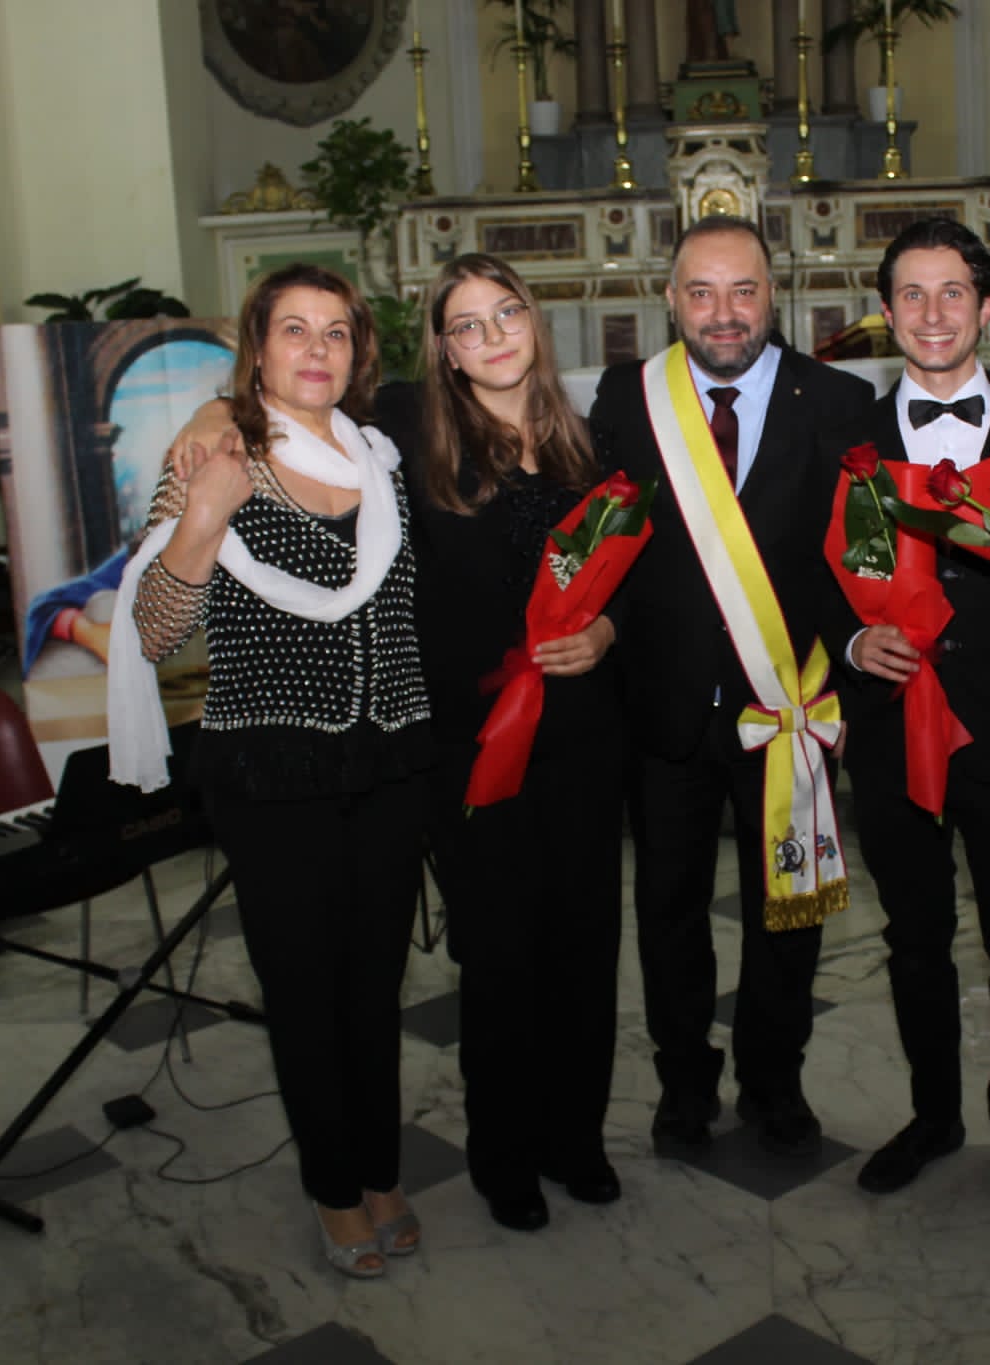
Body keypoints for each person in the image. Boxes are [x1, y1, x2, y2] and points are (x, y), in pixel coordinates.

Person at [116, 263, 431, 1280]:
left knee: (374, 985)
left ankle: (380, 1169)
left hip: (389, 759)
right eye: (293, 329)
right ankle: (334, 1188)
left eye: (336, 332)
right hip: (269, 768)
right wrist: (203, 517)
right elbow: (154, 630)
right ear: (256, 349)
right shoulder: (211, 457)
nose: (316, 349)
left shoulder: (384, 458)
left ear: (358, 352)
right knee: (303, 987)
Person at [589, 215, 872, 1158]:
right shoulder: (628, 400)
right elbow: (604, 549)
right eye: (702, 292)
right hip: (663, 708)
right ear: (670, 298)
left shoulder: (835, 399)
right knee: (667, 909)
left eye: (743, 290)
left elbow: (855, 559)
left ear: (773, 294)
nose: (724, 312)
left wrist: (857, 659)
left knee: (787, 909)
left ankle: (773, 1080)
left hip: (788, 705)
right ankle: (683, 1083)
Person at [823, 218, 990, 1218]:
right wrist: (850, 646)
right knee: (914, 938)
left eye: (952, 292)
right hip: (892, 731)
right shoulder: (844, 443)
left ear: (987, 305)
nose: (933, 314)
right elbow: (809, 576)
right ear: (887, 314)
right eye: (912, 295)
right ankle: (933, 1118)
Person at [404, 254, 625, 1233]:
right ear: (446, 353)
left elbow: (636, 581)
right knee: (500, 957)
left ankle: (577, 1138)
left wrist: (608, 630)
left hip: (582, 738)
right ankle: (504, 1157)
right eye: (467, 324)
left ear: (534, 323)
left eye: (506, 313)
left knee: (585, 947)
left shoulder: (587, 448)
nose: (492, 335)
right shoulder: (414, 451)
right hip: (476, 744)